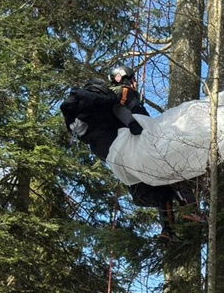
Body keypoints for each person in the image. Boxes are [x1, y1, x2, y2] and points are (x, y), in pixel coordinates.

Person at [61, 66, 199, 240]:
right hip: (128, 143)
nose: (135, 82)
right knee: (170, 165)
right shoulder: (124, 91)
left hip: (109, 154)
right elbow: (134, 113)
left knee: (160, 187)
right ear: (124, 77)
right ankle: (190, 209)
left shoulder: (95, 105)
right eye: (132, 78)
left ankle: (168, 231)